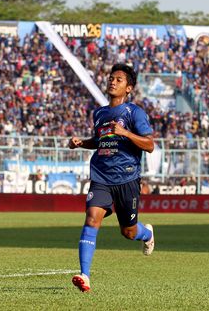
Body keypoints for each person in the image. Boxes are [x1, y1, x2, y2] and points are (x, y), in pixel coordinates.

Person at [68, 64, 155, 292]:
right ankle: (85, 275)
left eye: (118, 79)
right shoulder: (100, 113)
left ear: (129, 88)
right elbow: (99, 142)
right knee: (92, 218)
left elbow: (150, 145)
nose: (112, 82)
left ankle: (147, 234)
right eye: (111, 78)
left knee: (129, 232)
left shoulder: (134, 113)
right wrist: (81, 143)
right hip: (101, 176)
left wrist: (125, 132)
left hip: (127, 178)